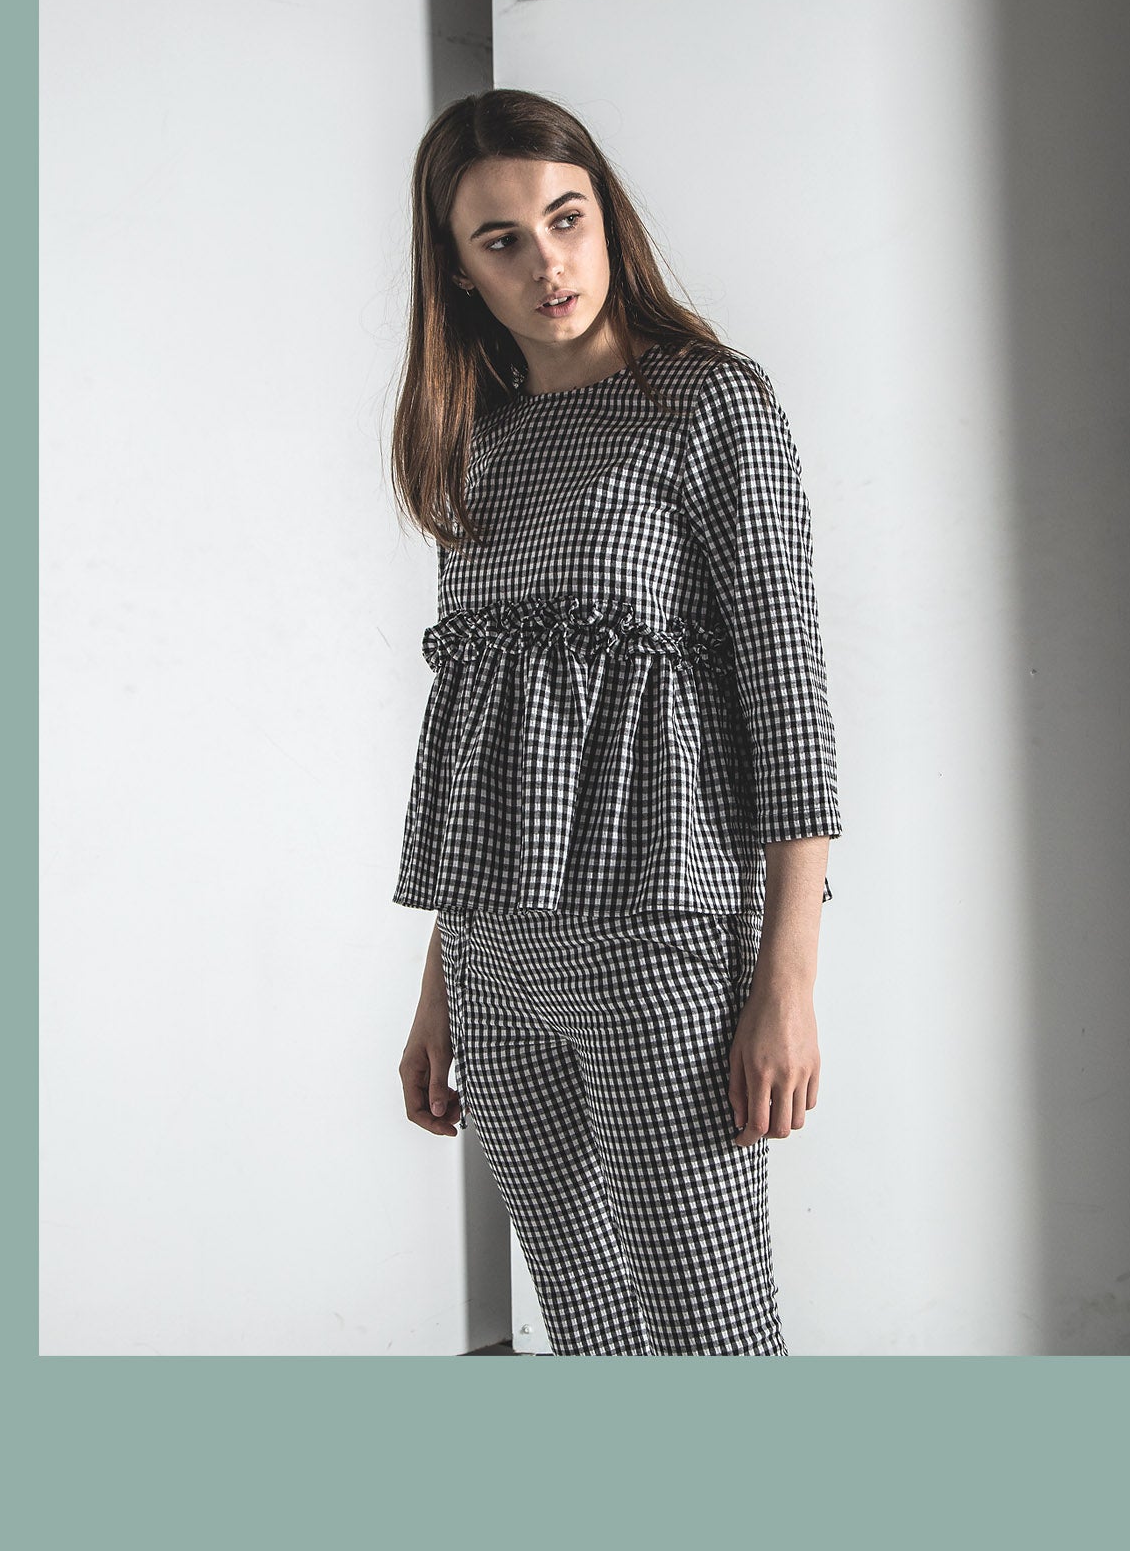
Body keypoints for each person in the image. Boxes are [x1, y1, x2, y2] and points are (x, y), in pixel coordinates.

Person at [386, 90, 842, 1357]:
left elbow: (790, 707)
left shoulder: (711, 407)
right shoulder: (479, 446)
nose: (547, 263)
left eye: (566, 219)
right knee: (588, 1332)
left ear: (607, 219)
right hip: (497, 960)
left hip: (660, 945)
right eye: (502, 240)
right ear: (459, 271)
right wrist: (440, 987)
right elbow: (479, 746)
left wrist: (786, 984)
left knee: (710, 1336)